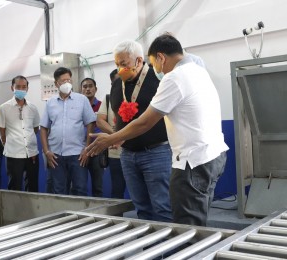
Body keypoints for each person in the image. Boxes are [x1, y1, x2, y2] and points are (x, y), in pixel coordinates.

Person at [87, 34, 229, 226]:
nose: (156, 69)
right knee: (190, 219)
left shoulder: (174, 77)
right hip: (210, 156)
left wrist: (110, 139)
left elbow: (145, 122)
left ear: (161, 57)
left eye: (154, 63)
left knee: (184, 225)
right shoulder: (197, 70)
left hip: (190, 161)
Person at [104, 40, 173, 222]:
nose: (119, 69)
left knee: (162, 207)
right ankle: (149, 249)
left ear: (139, 61)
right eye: (117, 64)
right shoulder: (118, 84)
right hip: (128, 154)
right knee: (141, 208)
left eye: (123, 64)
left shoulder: (158, 79)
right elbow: (118, 115)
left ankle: (168, 250)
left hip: (157, 152)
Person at [40, 67, 96, 196]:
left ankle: (81, 216)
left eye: (68, 80)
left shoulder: (82, 100)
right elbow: (43, 128)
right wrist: (46, 151)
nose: (66, 83)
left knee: (80, 189)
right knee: (59, 191)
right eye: (63, 81)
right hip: (55, 156)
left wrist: (87, 148)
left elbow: (90, 124)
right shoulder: (50, 103)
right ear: (56, 84)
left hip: (78, 154)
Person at [0, 75, 40, 192]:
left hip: (32, 154)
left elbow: (36, 128)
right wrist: (9, 143)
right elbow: (1, 130)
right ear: (12, 88)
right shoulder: (4, 108)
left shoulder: (33, 108)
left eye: (24, 87)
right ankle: (15, 210)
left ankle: (32, 210)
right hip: (13, 154)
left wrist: (28, 142)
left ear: (27, 88)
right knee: (15, 187)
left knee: (32, 186)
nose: (21, 89)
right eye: (18, 87)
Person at [96, 69, 127, 199]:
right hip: (115, 153)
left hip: (135, 151)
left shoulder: (135, 96)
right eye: (115, 82)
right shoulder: (108, 99)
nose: (118, 84)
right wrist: (116, 135)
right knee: (117, 188)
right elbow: (100, 121)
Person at [80, 77, 105, 197]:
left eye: (90, 86)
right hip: (80, 150)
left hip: (97, 150)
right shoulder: (77, 107)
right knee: (79, 186)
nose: (88, 89)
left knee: (98, 186)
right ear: (81, 90)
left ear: (96, 89)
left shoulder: (102, 106)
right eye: (85, 87)